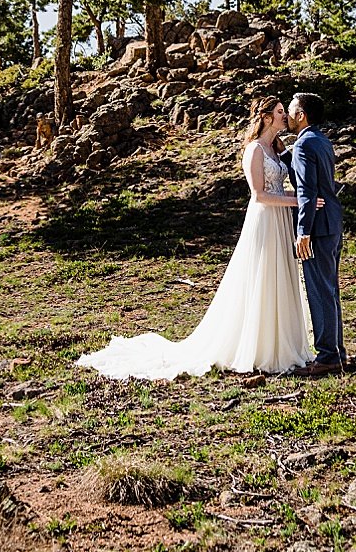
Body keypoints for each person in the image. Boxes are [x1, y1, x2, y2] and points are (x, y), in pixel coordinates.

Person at [76, 96, 314, 379]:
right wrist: (297, 201)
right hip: (264, 221)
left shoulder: (277, 149)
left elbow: (282, 188)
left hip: (280, 221)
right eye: (279, 112)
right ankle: (258, 348)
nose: (284, 116)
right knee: (263, 277)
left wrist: (302, 198)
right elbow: (260, 195)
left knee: (280, 278)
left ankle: (279, 343)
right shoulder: (255, 150)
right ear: (265, 117)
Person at [287, 91, 347, 376]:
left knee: (319, 291)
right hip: (333, 223)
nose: (286, 115)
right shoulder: (321, 141)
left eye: (290, 110)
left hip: (318, 228)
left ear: (301, 115)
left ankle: (327, 357)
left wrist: (303, 232)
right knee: (330, 290)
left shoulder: (303, 146)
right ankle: (338, 352)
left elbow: (306, 191)